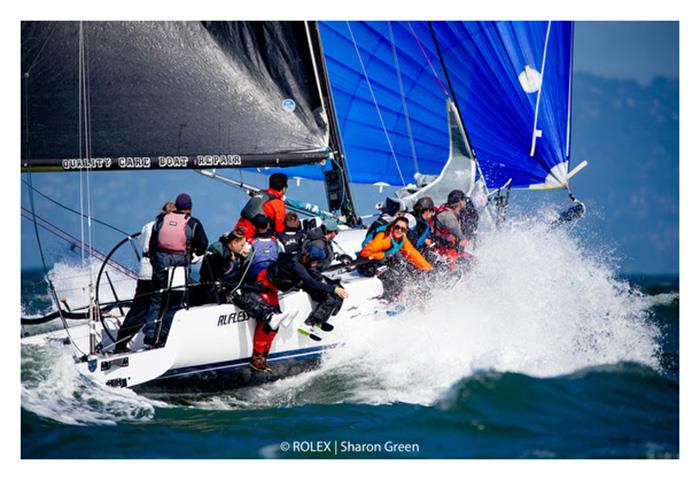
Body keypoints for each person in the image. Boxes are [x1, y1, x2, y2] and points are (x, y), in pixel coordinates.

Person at [141, 193, 208, 348]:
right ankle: (165, 336)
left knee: (156, 300)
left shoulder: (161, 219)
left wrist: (154, 259)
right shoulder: (193, 222)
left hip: (160, 263)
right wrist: (193, 254)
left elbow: (152, 242)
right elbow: (203, 244)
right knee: (175, 302)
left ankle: (149, 336)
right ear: (190, 208)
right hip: (179, 265)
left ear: (176, 206)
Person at [114, 200, 175, 352]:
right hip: (159, 271)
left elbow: (142, 242)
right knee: (162, 306)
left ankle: (121, 342)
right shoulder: (169, 227)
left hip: (145, 271)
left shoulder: (148, 225)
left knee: (139, 308)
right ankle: (154, 338)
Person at [357, 216, 432, 301]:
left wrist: (428, 268)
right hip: (366, 264)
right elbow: (365, 252)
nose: (399, 230)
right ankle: (388, 301)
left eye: (403, 229)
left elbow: (412, 254)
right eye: (397, 227)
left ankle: (408, 296)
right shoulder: (384, 237)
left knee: (405, 268)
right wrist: (381, 255)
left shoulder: (401, 239)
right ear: (393, 226)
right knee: (394, 278)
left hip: (381, 261)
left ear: (406, 231)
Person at [191, 228, 251, 306]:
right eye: (242, 245)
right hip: (212, 291)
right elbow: (219, 271)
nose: (242, 248)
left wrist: (242, 259)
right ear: (234, 243)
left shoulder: (233, 253)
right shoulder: (220, 251)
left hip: (221, 287)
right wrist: (229, 258)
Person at [234, 173, 288, 239]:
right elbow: (279, 228)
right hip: (252, 233)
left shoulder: (260, 193)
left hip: (239, 227)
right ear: (284, 189)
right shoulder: (278, 204)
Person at [433, 190, 471, 262]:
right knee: (467, 264)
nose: (466, 202)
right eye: (464, 200)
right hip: (443, 250)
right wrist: (464, 240)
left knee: (474, 260)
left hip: (450, 248)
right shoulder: (447, 216)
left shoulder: (454, 213)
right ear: (459, 202)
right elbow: (461, 238)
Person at [246, 214, 284, 280]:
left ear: (254, 227)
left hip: (254, 280)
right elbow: (283, 260)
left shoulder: (249, 243)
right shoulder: (277, 243)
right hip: (274, 277)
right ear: (268, 226)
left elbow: (244, 263)